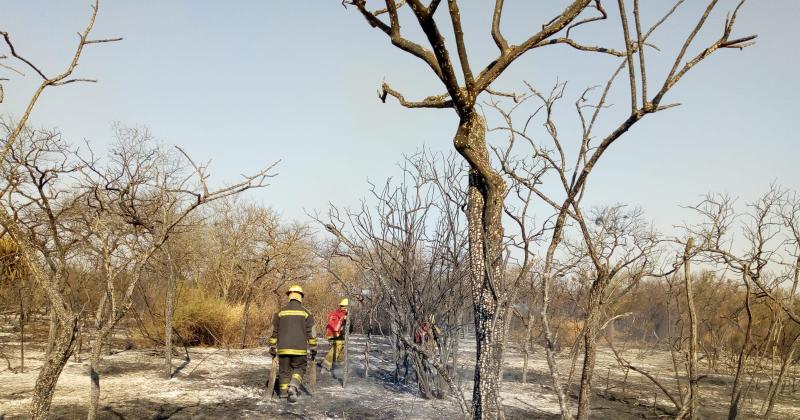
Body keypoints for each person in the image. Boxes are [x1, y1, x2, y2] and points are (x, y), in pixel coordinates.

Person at [268, 285, 317, 403]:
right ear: (301, 297)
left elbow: (274, 331)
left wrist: (272, 346)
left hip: (283, 349)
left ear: (289, 296)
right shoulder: (306, 313)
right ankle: (294, 385)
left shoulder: (280, 313)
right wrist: (313, 347)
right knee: (300, 368)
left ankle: (283, 394)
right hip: (299, 349)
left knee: (284, 371)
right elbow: (312, 333)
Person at [321, 298, 348, 371]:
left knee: (341, 350)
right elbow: (348, 328)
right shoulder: (345, 315)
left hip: (329, 334)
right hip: (337, 335)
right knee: (337, 348)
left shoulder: (334, 313)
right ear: (347, 307)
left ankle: (342, 367)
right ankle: (326, 366)